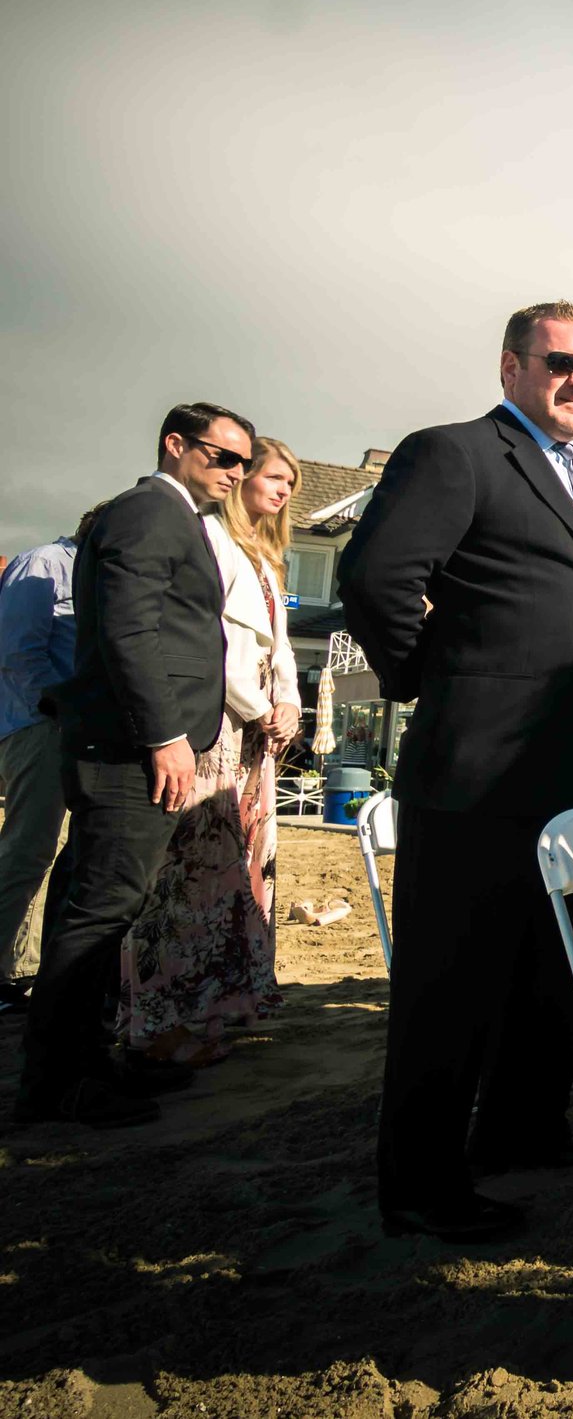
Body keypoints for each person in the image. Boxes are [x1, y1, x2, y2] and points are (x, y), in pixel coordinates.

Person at [341, 302, 573, 1243]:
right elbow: (376, 579)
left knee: (554, 969)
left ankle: (521, 1131)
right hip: (477, 770)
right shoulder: (456, 455)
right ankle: (420, 1182)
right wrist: (433, 678)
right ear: (511, 367)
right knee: (452, 986)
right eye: (562, 362)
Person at [15, 402, 252, 1128]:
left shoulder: (169, 516)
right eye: (222, 457)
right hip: (126, 751)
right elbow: (128, 628)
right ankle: (60, 1083)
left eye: (243, 462)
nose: (234, 473)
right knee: (100, 910)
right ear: (175, 444)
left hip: (128, 745)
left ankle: (80, 1064)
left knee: (99, 905)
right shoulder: (150, 511)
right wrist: (163, 734)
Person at [122, 437, 303, 1064]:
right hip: (216, 730)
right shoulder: (209, 541)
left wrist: (288, 705)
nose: (283, 492)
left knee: (241, 875)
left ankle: (219, 1009)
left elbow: (278, 650)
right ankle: (161, 1021)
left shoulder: (269, 558)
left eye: (291, 483)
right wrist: (260, 709)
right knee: (191, 877)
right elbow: (214, 646)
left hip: (258, 737)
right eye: (276, 477)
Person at [0, 532, 78, 1011]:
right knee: (28, 848)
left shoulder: (90, 570)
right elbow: (16, 651)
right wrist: (61, 705)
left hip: (65, 727)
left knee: (46, 852)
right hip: (38, 726)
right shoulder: (44, 564)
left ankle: (22, 970)